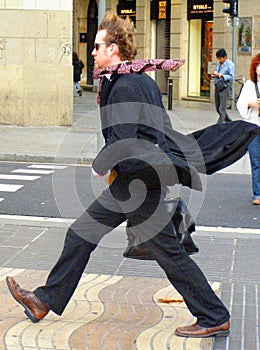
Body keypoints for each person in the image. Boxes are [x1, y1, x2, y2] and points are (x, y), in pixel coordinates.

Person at [5, 13, 260, 339]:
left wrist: (102, 165)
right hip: (138, 178)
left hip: (140, 183)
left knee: (167, 253)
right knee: (82, 235)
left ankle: (213, 314)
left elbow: (124, 139)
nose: (92, 52)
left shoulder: (126, 84)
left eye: (97, 46)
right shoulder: (137, 79)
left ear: (114, 48)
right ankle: (44, 300)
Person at [237, 53, 260, 205]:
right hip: (253, 128)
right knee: (256, 160)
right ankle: (257, 194)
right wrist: (251, 104)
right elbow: (240, 104)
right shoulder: (249, 86)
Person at [212, 48, 234, 124]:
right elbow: (216, 71)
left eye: (220, 58)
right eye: (218, 58)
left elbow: (231, 76)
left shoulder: (230, 64)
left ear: (225, 57)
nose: (219, 60)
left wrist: (221, 75)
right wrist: (214, 74)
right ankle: (229, 121)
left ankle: (219, 125)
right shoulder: (218, 63)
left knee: (222, 108)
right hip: (217, 85)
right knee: (218, 107)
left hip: (224, 86)